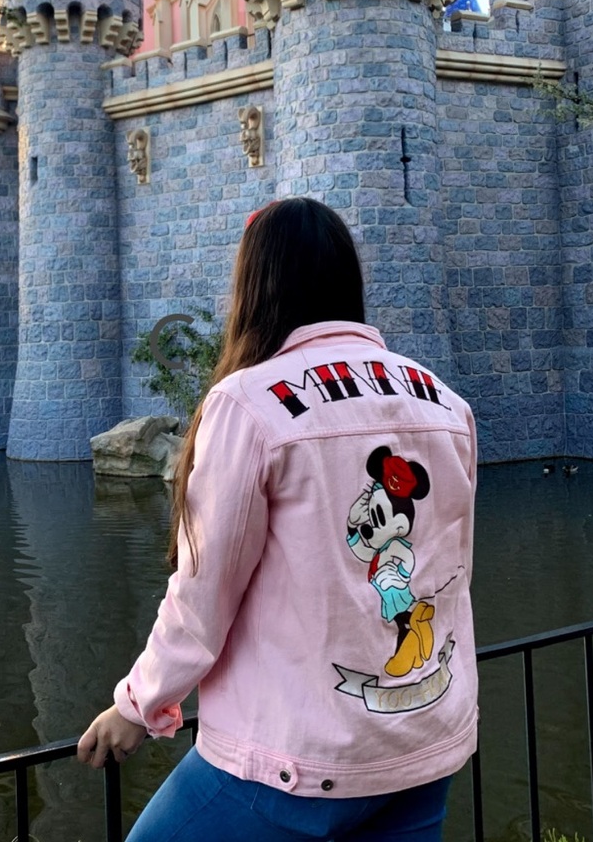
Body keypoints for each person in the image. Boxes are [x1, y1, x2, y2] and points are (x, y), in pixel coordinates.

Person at [78, 198, 478, 842]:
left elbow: (203, 595)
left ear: (255, 285)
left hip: (296, 759)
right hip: (423, 747)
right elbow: (452, 570)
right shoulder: (444, 402)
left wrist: (139, 704)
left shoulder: (248, 404)